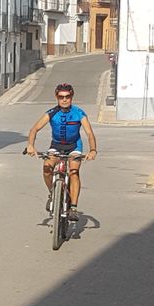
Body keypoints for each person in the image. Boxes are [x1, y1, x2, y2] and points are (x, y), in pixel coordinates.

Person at [24, 83, 97, 217]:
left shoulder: (79, 113)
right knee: (47, 168)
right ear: (56, 97)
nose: (64, 100)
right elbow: (34, 129)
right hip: (56, 146)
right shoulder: (51, 113)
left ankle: (73, 208)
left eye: (67, 97)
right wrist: (30, 145)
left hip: (74, 146)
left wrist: (93, 150)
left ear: (72, 97)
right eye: (61, 97)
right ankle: (53, 194)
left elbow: (90, 134)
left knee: (74, 172)